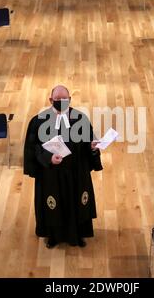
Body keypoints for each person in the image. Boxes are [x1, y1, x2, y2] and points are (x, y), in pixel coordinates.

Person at [23, 85, 103, 248]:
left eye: (64, 99)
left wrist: (92, 147)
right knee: (53, 205)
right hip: (51, 175)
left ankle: (78, 235)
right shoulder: (39, 121)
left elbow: (89, 143)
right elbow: (34, 149)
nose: (61, 101)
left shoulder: (80, 119)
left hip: (75, 173)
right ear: (51, 100)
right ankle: (54, 236)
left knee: (76, 203)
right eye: (57, 99)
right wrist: (49, 158)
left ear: (70, 100)